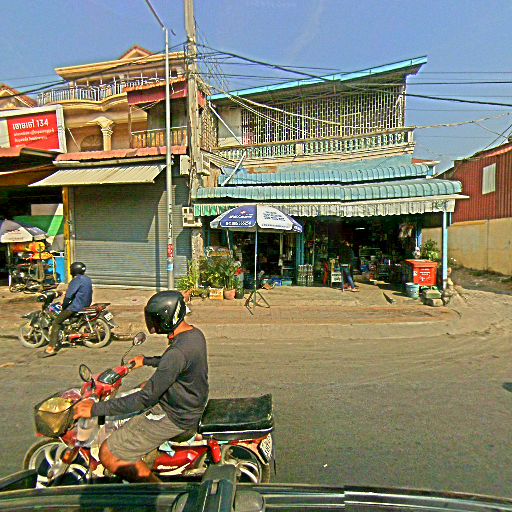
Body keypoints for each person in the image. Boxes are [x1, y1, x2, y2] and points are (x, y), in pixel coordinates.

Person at [73, 291, 209, 483]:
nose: (152, 324)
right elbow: (177, 364)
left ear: (166, 319)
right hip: (187, 402)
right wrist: (146, 361)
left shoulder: (176, 353)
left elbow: (145, 399)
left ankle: (156, 490)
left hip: (176, 415)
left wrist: (95, 409)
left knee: (109, 453)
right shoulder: (194, 335)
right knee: (144, 385)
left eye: (155, 319)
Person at [43, 261, 93, 356]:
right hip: (85, 304)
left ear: (73, 270)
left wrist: (64, 306)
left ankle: (51, 348)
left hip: (76, 306)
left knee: (56, 322)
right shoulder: (87, 279)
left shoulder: (76, 281)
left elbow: (69, 296)